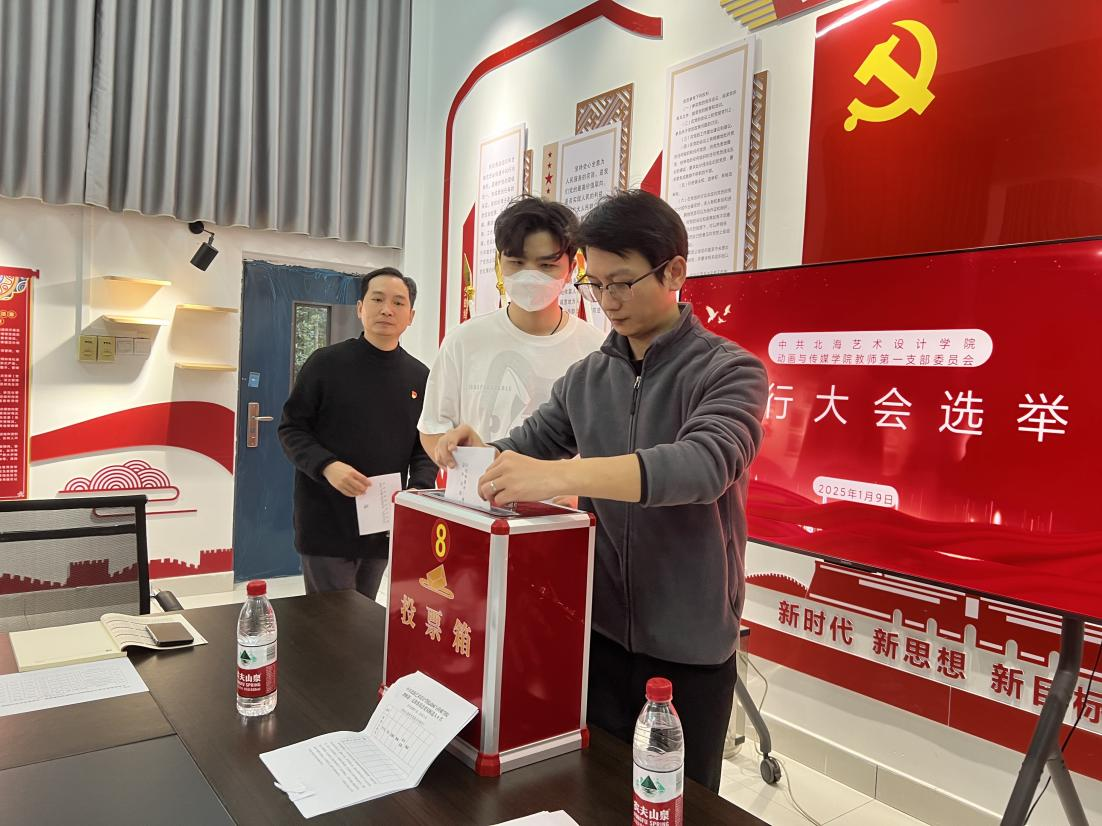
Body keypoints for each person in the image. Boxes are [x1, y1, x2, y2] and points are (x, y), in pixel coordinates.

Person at [433, 190, 768, 792]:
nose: (608, 302)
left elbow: (701, 466)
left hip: (690, 641)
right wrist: (480, 451)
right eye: (596, 285)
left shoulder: (730, 371)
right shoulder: (588, 377)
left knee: (677, 800)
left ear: (674, 272)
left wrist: (562, 475)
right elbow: (529, 445)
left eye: (623, 283)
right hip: (598, 628)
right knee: (593, 786)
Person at [279, 267, 436, 600]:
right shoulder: (325, 364)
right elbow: (292, 429)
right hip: (326, 520)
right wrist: (327, 466)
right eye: (377, 300)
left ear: (410, 316)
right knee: (332, 620)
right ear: (360, 308)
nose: (387, 310)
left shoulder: (420, 377)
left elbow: (425, 446)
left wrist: (418, 490)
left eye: (398, 303)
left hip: (382, 523)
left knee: (363, 615)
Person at [419, 195, 606, 463]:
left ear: (571, 268)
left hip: (562, 491)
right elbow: (433, 428)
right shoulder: (464, 340)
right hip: (482, 488)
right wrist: (460, 462)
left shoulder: (596, 349)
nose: (530, 275)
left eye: (546, 265)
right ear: (499, 263)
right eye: (517, 263)